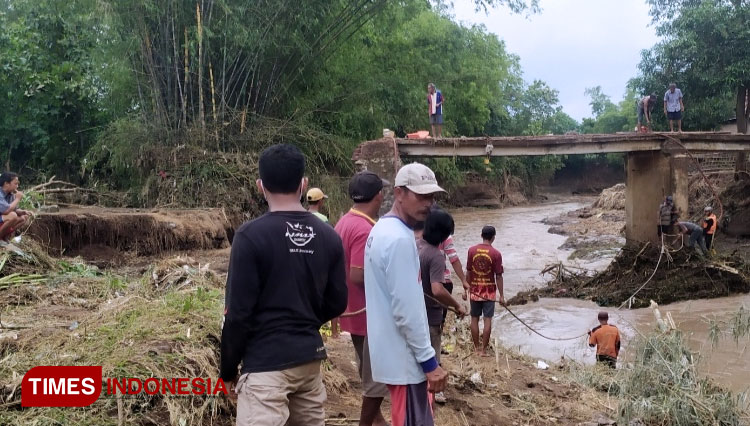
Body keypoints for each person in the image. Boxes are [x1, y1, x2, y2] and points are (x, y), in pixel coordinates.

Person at [220, 144, 347, 426]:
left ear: (260, 186)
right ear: (303, 184)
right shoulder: (328, 235)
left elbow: (237, 314)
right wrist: (304, 321)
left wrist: (227, 370)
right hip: (308, 361)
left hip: (265, 367)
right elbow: (338, 302)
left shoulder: (250, 236)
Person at [365, 162, 448, 426]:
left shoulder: (381, 229)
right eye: (421, 196)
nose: (428, 203)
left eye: (432, 197)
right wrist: (429, 362)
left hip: (390, 352)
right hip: (405, 361)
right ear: (399, 193)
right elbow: (407, 310)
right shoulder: (400, 240)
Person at [334, 171, 389, 426]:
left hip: (353, 310)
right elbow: (358, 274)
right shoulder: (365, 229)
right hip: (368, 313)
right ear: (379, 195)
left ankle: (377, 421)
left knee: (367, 370)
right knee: (376, 379)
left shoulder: (344, 221)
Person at [417, 207, 467, 404]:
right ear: (445, 235)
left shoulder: (417, 245)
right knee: (432, 350)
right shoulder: (436, 255)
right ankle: (434, 392)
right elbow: (437, 290)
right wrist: (457, 306)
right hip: (431, 312)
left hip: (417, 310)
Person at [465, 225, 504, 357]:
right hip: (489, 292)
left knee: (474, 319)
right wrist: (502, 296)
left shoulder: (471, 250)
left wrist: (466, 289)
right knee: (487, 320)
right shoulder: (496, 254)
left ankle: (476, 348)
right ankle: (483, 350)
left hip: (475, 291)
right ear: (493, 238)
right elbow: (498, 276)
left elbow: (468, 272)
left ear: (481, 235)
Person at [0, 172, 31, 241]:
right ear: (6, 184)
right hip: (3, 217)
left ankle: (3, 236)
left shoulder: (10, 194)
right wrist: (17, 199)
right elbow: (6, 210)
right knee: (13, 215)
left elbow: (14, 209)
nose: (17, 186)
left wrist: (23, 212)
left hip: (2, 219)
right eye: (15, 184)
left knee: (23, 218)